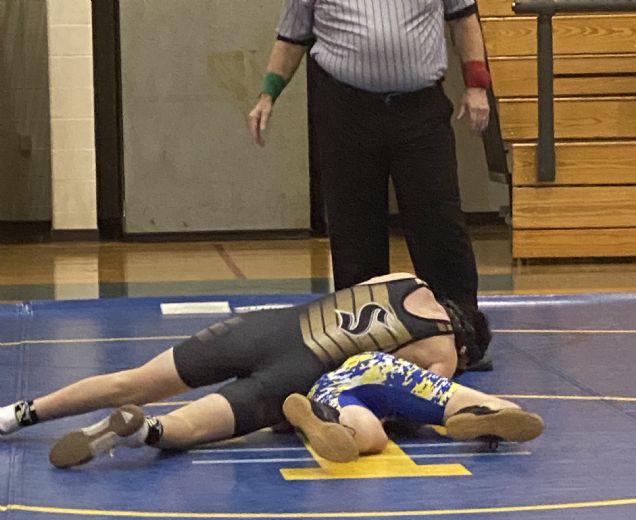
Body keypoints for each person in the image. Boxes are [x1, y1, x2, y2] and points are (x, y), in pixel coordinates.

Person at [0, 274, 491, 469]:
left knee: (132, 381)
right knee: (190, 425)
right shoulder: (445, 352)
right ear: (466, 346)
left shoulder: (406, 278)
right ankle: (143, 429)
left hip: (268, 327)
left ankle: (18, 413)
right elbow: (390, 392)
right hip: (300, 373)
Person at [248, 0, 491, 326]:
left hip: (420, 109)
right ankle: (363, 333)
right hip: (346, 110)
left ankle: (460, 329)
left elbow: (464, 19)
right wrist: (268, 94)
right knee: (354, 232)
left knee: (439, 224)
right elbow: (292, 36)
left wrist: (476, 85)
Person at [283, 351, 544, 463]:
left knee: (370, 435)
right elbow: (438, 377)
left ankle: (325, 417)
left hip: (346, 375)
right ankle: (484, 410)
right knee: (495, 404)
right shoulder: (447, 350)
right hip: (391, 371)